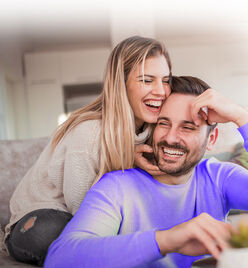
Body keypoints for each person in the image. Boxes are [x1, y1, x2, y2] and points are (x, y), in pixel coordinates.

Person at [44, 76, 248, 268]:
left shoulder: (218, 176)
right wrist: (168, 239)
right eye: (163, 123)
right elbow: (59, 261)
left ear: (211, 139)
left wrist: (240, 116)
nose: (170, 138)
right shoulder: (116, 187)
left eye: (188, 127)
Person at [3, 36, 172, 266]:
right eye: (147, 80)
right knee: (56, 233)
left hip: (95, 220)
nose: (161, 90)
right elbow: (84, 214)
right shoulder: (90, 132)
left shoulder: (153, 130)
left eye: (166, 80)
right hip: (38, 218)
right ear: (121, 84)